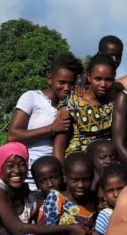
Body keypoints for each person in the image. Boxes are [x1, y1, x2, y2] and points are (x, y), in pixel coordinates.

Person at [7, 53, 84, 190]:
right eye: (61, 82)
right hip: (26, 172)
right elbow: (12, 135)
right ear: (49, 79)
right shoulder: (32, 98)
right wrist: (51, 129)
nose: (66, 88)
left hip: (51, 176)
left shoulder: (70, 105)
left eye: (71, 83)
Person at [55, 54, 116, 160]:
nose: (103, 84)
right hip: (78, 162)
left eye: (108, 80)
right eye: (98, 79)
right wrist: (61, 172)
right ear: (89, 77)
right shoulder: (72, 100)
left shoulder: (116, 101)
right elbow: (59, 144)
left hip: (107, 161)